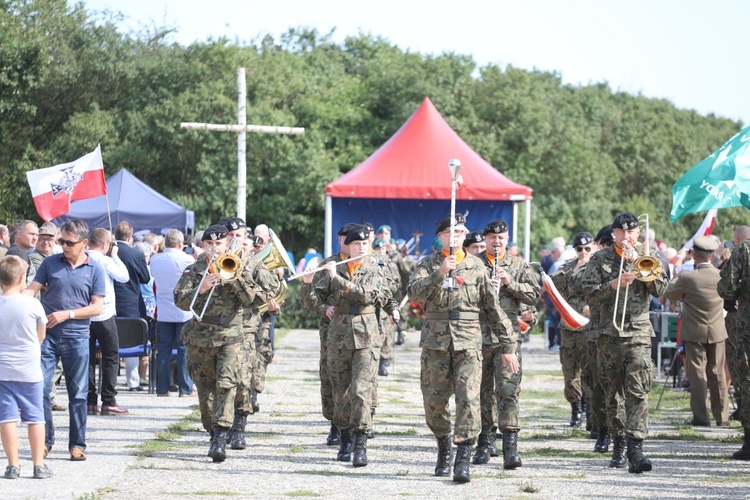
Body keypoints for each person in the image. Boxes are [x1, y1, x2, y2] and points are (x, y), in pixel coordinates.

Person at [408, 214, 517, 483]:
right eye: (450, 232)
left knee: (469, 400)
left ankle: (463, 458)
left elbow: (493, 309)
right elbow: (413, 295)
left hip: (469, 343)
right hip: (436, 344)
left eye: (460, 231)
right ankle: (444, 445)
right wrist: (439, 274)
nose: (455, 236)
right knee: (434, 403)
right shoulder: (429, 264)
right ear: (441, 236)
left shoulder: (476, 267)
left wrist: (509, 344)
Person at [582, 213, 668, 474]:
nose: (627, 236)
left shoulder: (648, 256)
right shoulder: (600, 259)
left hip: (638, 332)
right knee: (613, 395)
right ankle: (618, 441)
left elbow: (660, 289)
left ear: (638, 232)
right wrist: (612, 284)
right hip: (608, 334)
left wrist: (640, 266)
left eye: (632, 232)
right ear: (615, 234)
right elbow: (589, 294)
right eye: (622, 232)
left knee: (638, 391)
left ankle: (635, 446)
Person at [174, 224, 266, 463]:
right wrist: (201, 288)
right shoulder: (193, 270)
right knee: (205, 392)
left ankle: (221, 437)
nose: (214, 248)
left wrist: (235, 278)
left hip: (230, 336)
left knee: (226, 385)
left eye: (219, 244)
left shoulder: (238, 266)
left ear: (227, 245)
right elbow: (180, 301)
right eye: (210, 244)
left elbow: (252, 300)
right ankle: (213, 430)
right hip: (200, 337)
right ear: (203, 245)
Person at [304, 225, 388, 468]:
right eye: (356, 244)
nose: (361, 248)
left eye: (364, 244)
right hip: (338, 336)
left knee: (361, 390)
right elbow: (312, 301)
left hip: (366, 337)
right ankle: (345, 437)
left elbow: (366, 296)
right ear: (347, 247)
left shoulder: (375, 266)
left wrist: (337, 279)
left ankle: (360, 442)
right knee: (340, 390)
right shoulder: (334, 266)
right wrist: (308, 285)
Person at [23, 219, 105, 462]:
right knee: (40, 389)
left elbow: (97, 308)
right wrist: (13, 300)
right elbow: (31, 289)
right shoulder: (50, 263)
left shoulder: (95, 269)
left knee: (78, 394)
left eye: (69, 243)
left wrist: (67, 314)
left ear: (83, 243)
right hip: (47, 337)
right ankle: (46, 441)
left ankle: (77, 445)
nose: (63, 246)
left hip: (77, 338)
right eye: (61, 241)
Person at [472, 219, 540, 469]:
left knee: (508, 389)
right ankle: (484, 442)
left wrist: (510, 283)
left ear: (507, 238)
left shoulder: (518, 264)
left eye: (501, 238)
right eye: (491, 237)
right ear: (485, 239)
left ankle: (510, 446)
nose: (496, 241)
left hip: (507, 337)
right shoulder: (473, 263)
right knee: (482, 391)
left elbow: (534, 295)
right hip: (478, 336)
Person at [299, 223, 357, 447]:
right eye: (343, 238)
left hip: (361, 329)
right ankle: (335, 422)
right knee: (331, 376)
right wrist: (323, 309)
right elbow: (313, 299)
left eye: (350, 239)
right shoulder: (328, 265)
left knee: (360, 379)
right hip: (332, 330)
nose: (346, 243)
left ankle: (359, 425)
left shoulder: (369, 264)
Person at [664, 236, 729, 427]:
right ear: (712, 255)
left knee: (698, 374)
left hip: (693, 332)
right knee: (717, 374)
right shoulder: (721, 276)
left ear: (694, 254)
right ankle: (722, 417)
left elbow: (669, 294)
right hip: (717, 330)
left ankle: (701, 417)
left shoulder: (687, 277)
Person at [0, 256, 53, 479]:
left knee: (7, 418)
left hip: (3, 369)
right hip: (29, 369)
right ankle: (38, 465)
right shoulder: (33, 304)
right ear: (23, 278)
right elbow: (41, 334)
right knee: (35, 417)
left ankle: (13, 465)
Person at [551, 231, 595, 428]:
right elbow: (552, 283)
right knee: (570, 373)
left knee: (589, 371)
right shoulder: (568, 267)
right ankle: (575, 408)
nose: (584, 252)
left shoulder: (599, 267)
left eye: (587, 248)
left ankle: (588, 408)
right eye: (580, 249)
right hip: (569, 328)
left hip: (590, 327)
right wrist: (576, 268)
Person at [86, 228, 130, 416]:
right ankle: (108, 400)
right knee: (110, 357)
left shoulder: (83, 257)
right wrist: (115, 256)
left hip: (85, 315)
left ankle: (89, 401)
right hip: (104, 314)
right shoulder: (104, 260)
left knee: (87, 359)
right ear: (105, 244)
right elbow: (124, 277)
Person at [149, 229, 195, 398]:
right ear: (180, 244)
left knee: (164, 351)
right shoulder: (187, 259)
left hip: (163, 311)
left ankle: (162, 388)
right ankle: (185, 388)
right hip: (183, 311)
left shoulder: (155, 259)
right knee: (184, 350)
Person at [717, 226, 750, 460]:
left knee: (747, 377)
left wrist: (732, 297)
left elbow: (727, 286)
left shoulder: (743, 250)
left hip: (747, 324)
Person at [113, 221, 151, 391]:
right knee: (131, 342)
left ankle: (110, 381)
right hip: (131, 304)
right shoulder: (136, 254)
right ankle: (133, 382)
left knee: (110, 342)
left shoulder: (107, 253)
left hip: (110, 301)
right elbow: (145, 278)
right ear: (130, 237)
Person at [7, 220, 38, 285]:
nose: (35, 238)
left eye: (37, 235)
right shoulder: (19, 253)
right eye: (31, 234)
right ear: (19, 234)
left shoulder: (17, 251)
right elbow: (18, 284)